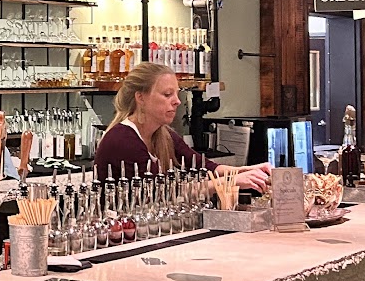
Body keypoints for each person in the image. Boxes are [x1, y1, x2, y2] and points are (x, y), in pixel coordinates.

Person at [93, 61, 270, 191]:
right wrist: (234, 181)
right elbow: (163, 192)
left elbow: (203, 167)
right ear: (141, 98)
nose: (177, 101)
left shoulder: (163, 134)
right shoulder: (122, 140)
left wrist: (248, 170)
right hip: (119, 234)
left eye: (177, 94)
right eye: (167, 94)